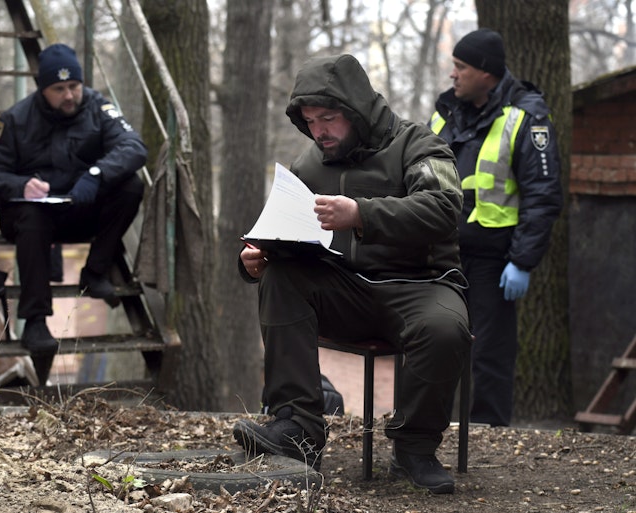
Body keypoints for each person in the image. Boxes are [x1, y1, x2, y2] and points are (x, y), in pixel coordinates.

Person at [232, 54, 472, 494]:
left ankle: (414, 448)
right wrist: (254, 259)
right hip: (345, 288)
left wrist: (362, 213)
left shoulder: (418, 144)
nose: (319, 131)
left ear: (358, 111)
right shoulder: (309, 164)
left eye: (329, 118)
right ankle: (298, 427)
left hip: (421, 285)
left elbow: (443, 210)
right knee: (280, 276)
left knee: (444, 329)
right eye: (310, 121)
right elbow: (279, 230)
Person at [0, 43, 147, 355]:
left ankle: (95, 271)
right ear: (43, 89)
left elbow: (134, 147)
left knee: (131, 187)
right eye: (59, 89)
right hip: (30, 219)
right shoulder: (15, 119)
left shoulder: (97, 107)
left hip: (78, 210)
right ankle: (36, 319)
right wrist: (21, 185)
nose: (69, 95)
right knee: (32, 218)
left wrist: (96, 174)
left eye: (74, 86)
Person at [429, 28, 563, 427]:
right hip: (440, 254)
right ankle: (425, 428)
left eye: (461, 67)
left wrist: (522, 261)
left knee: (489, 353)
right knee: (432, 342)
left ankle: (488, 435)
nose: (453, 75)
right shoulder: (445, 112)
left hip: (494, 260)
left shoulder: (526, 117)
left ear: (486, 72)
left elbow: (543, 194)